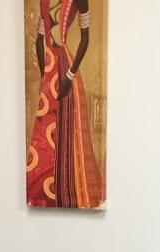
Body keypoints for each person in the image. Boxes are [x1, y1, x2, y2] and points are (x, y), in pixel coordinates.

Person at [26, 0, 105, 208]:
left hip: (64, 69)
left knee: (68, 128)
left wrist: (69, 75)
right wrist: (44, 74)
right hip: (49, 67)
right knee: (44, 132)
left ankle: (69, 191)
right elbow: (40, 38)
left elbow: (85, 40)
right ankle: (42, 195)